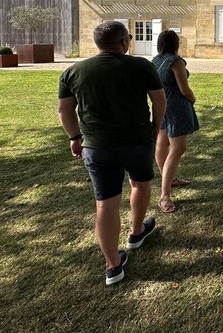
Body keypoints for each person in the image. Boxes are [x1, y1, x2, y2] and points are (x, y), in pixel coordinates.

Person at [58, 20, 166, 286]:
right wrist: (156, 127)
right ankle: (136, 231)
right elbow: (159, 100)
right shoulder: (141, 66)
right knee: (140, 184)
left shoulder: (74, 71)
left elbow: (65, 111)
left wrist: (75, 137)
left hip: (97, 146)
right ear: (123, 42)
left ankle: (112, 265)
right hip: (137, 141)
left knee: (105, 203)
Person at [152, 29, 199, 214]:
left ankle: (168, 178)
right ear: (176, 44)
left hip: (160, 106)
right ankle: (165, 195)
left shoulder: (155, 61)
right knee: (177, 148)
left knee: (162, 144)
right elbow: (184, 89)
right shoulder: (175, 62)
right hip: (176, 106)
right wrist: (192, 99)